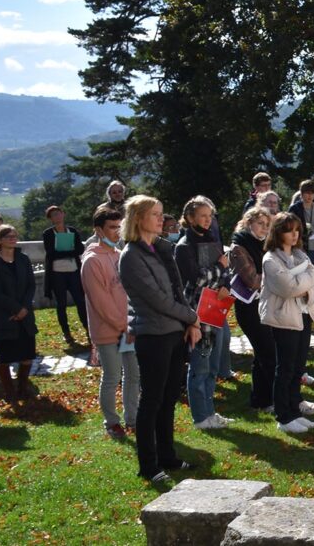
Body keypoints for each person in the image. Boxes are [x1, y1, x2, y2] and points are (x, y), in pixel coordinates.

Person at [118, 195, 202, 483]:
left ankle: (168, 456)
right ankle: (149, 465)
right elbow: (158, 299)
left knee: (168, 399)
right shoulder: (131, 256)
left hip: (174, 331)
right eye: (154, 214)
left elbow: (177, 291)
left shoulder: (161, 248)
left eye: (161, 213)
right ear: (138, 218)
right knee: (152, 400)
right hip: (153, 335)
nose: (160, 219)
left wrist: (188, 320)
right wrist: (191, 317)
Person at [260, 212, 314, 434]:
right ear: (278, 233)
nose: (295, 234)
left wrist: (305, 287)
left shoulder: (300, 255)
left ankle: (295, 408)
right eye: (289, 230)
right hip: (284, 318)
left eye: (297, 229)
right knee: (285, 368)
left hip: (304, 313)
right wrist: (306, 281)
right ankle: (283, 416)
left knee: (298, 366)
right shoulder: (270, 259)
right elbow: (288, 288)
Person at [174, 196, 234, 430]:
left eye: (210, 217)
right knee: (200, 366)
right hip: (197, 313)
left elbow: (226, 272)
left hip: (216, 310)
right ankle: (200, 417)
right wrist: (219, 267)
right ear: (190, 218)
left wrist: (225, 283)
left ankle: (211, 412)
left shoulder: (213, 241)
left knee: (213, 366)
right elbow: (196, 277)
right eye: (202, 216)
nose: (208, 221)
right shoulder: (183, 246)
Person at [82, 205, 139, 439]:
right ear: (99, 230)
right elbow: (100, 301)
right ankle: (111, 422)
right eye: (112, 227)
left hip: (129, 327)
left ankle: (133, 418)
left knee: (134, 375)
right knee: (112, 376)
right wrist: (121, 325)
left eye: (119, 226)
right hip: (108, 330)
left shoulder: (120, 255)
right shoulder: (92, 261)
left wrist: (132, 323)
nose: (117, 232)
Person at [0, 225, 38, 403]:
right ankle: (9, 392)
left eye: (14, 236)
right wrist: (16, 309)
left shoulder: (23, 259)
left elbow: (31, 285)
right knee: (5, 356)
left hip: (25, 314)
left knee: (27, 354)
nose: (13, 239)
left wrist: (24, 308)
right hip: (4, 316)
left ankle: (23, 387)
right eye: (8, 236)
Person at [230, 207, 276, 414]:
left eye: (267, 224)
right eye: (260, 223)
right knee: (268, 353)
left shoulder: (265, 245)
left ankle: (260, 399)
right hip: (249, 308)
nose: (264, 228)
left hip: (266, 304)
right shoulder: (239, 247)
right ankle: (273, 399)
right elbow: (252, 281)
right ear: (248, 224)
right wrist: (278, 276)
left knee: (263, 354)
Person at [42, 205, 90, 347]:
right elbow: (51, 253)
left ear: (63, 214)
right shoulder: (48, 234)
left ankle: (88, 329)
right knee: (61, 304)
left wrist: (67, 251)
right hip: (57, 273)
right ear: (50, 219)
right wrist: (70, 251)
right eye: (53, 215)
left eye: (58, 213)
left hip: (73, 270)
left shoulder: (73, 231)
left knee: (80, 301)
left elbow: (80, 249)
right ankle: (67, 333)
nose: (57, 217)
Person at [289, 180, 314, 269]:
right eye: (307, 193)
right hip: (301, 248)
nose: (310, 196)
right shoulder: (294, 209)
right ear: (301, 193)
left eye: (312, 193)